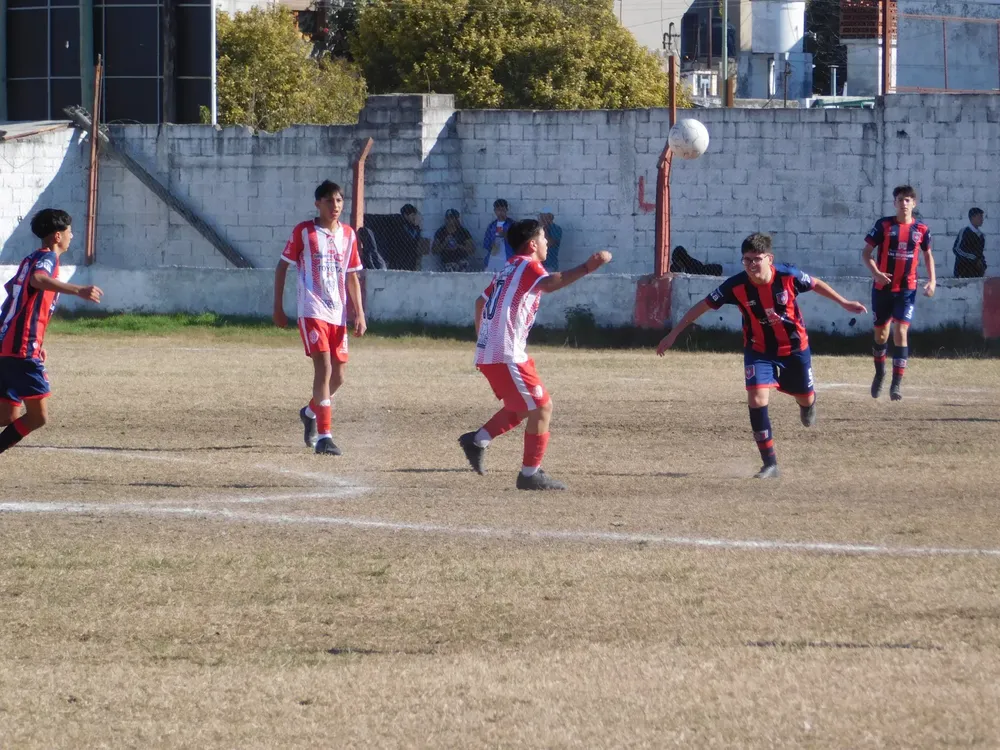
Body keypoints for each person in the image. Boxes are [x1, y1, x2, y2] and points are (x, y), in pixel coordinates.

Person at [656, 233, 867, 479]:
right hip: (758, 350)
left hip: (794, 348)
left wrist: (844, 302)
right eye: (746, 260)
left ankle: (808, 404)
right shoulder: (735, 286)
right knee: (756, 397)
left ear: (769, 259)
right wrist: (673, 333)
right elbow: (702, 306)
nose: (751, 265)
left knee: (805, 396)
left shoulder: (788, 276)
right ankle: (770, 464)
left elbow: (815, 283)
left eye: (756, 259)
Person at [459, 219, 612, 490]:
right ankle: (530, 474)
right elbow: (550, 283)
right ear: (532, 244)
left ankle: (477, 440)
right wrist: (588, 267)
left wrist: (484, 339)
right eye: (543, 238)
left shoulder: (508, 268)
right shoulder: (528, 265)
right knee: (542, 407)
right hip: (506, 352)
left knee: (522, 406)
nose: (546, 243)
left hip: (495, 351)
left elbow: (480, 301)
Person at [273, 180, 367, 456]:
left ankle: (310, 412)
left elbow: (352, 275)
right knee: (324, 369)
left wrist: (359, 313)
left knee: (338, 376)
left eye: (338, 200)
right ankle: (325, 437)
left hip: (338, 313)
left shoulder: (348, 235)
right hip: (312, 310)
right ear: (318, 204)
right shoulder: (305, 231)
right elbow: (282, 266)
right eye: (329, 201)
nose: (335, 206)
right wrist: (278, 307)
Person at [0, 208, 104, 456]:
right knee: (38, 417)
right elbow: (37, 280)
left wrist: (37, 342)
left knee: (7, 415)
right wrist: (78, 290)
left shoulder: (30, 258)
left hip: (8, 344)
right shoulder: (48, 258)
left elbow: (15, 296)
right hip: (21, 349)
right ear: (58, 236)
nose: (72, 236)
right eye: (69, 231)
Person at [861, 185, 936, 402]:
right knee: (881, 335)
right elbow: (866, 253)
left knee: (901, 332)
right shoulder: (884, 225)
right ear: (895, 203)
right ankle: (880, 373)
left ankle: (896, 385)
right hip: (882, 289)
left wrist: (932, 281)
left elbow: (927, 255)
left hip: (907, 289)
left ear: (914, 203)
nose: (904, 203)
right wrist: (876, 273)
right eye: (900, 200)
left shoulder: (921, 229)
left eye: (908, 200)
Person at [953, 207, 986, 278]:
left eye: (982, 217)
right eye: (979, 217)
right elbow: (956, 249)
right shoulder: (964, 232)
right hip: (963, 272)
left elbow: (980, 253)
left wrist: (983, 264)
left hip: (976, 273)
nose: (982, 220)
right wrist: (974, 258)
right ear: (972, 218)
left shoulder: (981, 236)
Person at [482, 199, 514, 273]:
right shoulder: (491, 226)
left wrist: (506, 236)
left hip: (508, 257)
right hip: (494, 257)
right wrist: (491, 245)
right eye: (498, 210)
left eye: (503, 210)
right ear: (495, 211)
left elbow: (517, 242)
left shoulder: (512, 224)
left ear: (507, 210)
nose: (500, 212)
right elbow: (486, 243)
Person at [538, 207, 563, 272]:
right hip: (538, 263)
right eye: (541, 216)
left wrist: (544, 228)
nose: (543, 219)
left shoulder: (556, 229)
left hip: (550, 264)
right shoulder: (537, 229)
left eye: (545, 217)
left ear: (551, 217)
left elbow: (549, 243)